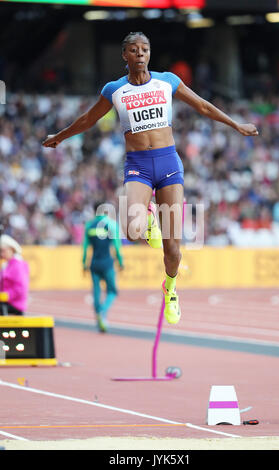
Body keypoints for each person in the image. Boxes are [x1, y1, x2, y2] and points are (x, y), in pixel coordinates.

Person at [42, 31, 258, 326]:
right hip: (138, 166)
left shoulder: (167, 81)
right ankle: (151, 219)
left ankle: (170, 289)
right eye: (133, 50)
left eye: (144, 49)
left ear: (149, 54)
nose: (140, 54)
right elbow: (87, 120)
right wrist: (60, 137)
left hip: (169, 163)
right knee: (131, 231)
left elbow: (203, 106)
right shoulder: (114, 89)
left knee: (173, 249)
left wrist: (236, 125)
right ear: (125, 56)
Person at [82, 202, 124, 332]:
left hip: (94, 263)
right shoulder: (111, 225)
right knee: (112, 291)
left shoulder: (89, 226)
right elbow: (116, 246)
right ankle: (103, 311)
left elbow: (85, 248)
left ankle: (98, 314)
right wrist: (120, 262)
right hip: (107, 263)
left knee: (96, 291)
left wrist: (84, 264)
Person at [0, 234, 30, 315]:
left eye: (3, 251)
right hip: (5, 302)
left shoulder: (18, 265)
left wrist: (7, 295)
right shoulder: (6, 265)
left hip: (15, 304)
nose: (2, 254)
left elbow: (21, 288)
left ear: (12, 249)